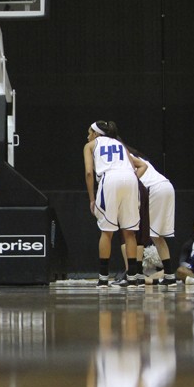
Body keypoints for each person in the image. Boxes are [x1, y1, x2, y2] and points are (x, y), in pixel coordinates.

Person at [84, 121, 147, 288]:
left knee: (107, 232)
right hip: (130, 178)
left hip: (110, 179)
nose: (88, 135)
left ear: (96, 134)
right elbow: (138, 166)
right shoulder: (120, 144)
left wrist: (92, 199)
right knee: (130, 232)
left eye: (89, 132)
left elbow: (89, 172)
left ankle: (103, 278)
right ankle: (132, 277)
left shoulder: (90, 145)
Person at [132, 149, 177, 287]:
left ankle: (136, 274)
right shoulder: (138, 157)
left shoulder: (124, 157)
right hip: (167, 186)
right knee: (156, 235)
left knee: (137, 231)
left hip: (154, 189)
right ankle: (169, 275)